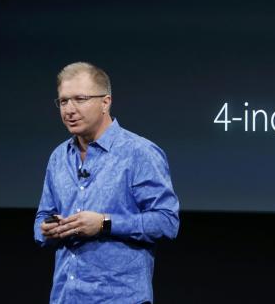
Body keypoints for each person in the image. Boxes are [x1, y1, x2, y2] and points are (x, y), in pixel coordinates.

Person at [34, 62, 180, 303]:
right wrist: (48, 229)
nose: (69, 109)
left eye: (80, 99)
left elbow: (166, 222)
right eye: (63, 101)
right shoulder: (59, 157)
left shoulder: (139, 153)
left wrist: (104, 223)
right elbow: (42, 218)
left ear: (105, 102)